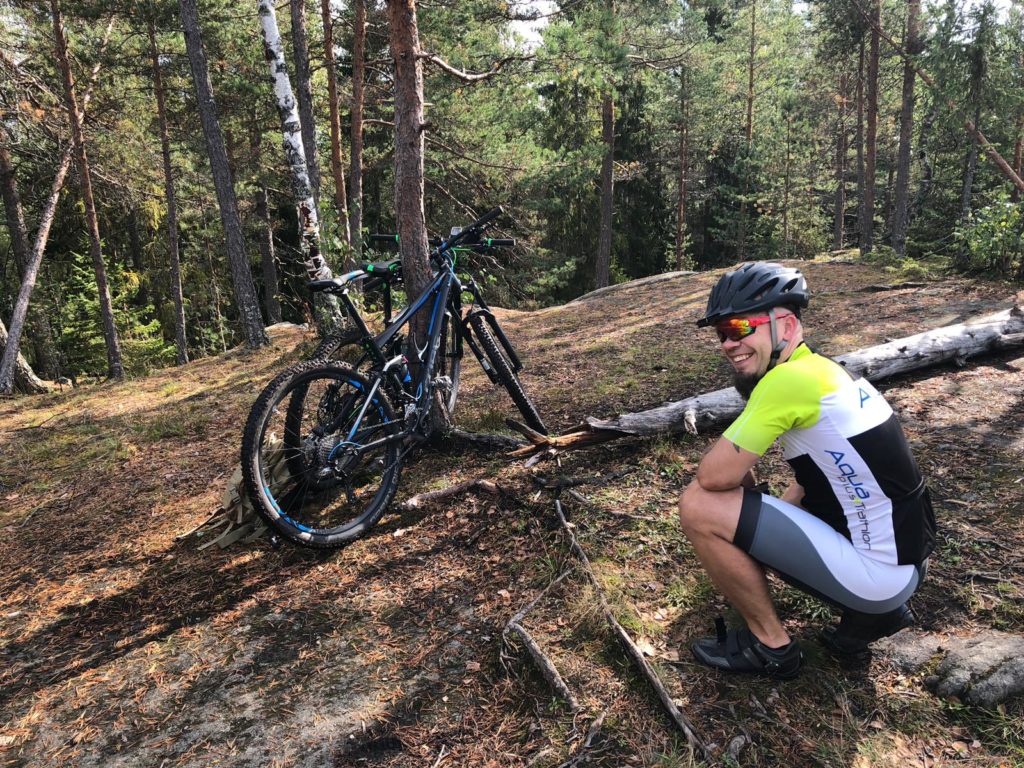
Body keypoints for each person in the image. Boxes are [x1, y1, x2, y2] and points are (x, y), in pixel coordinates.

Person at [678, 262, 936, 679]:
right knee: (787, 498)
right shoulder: (825, 369)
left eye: (740, 328)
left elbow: (712, 478)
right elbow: (814, 481)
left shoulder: (788, 381)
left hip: (880, 576)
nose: (728, 343)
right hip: (906, 560)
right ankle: (876, 615)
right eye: (721, 333)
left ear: (786, 324)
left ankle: (771, 648)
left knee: (699, 506)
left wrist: (746, 525)